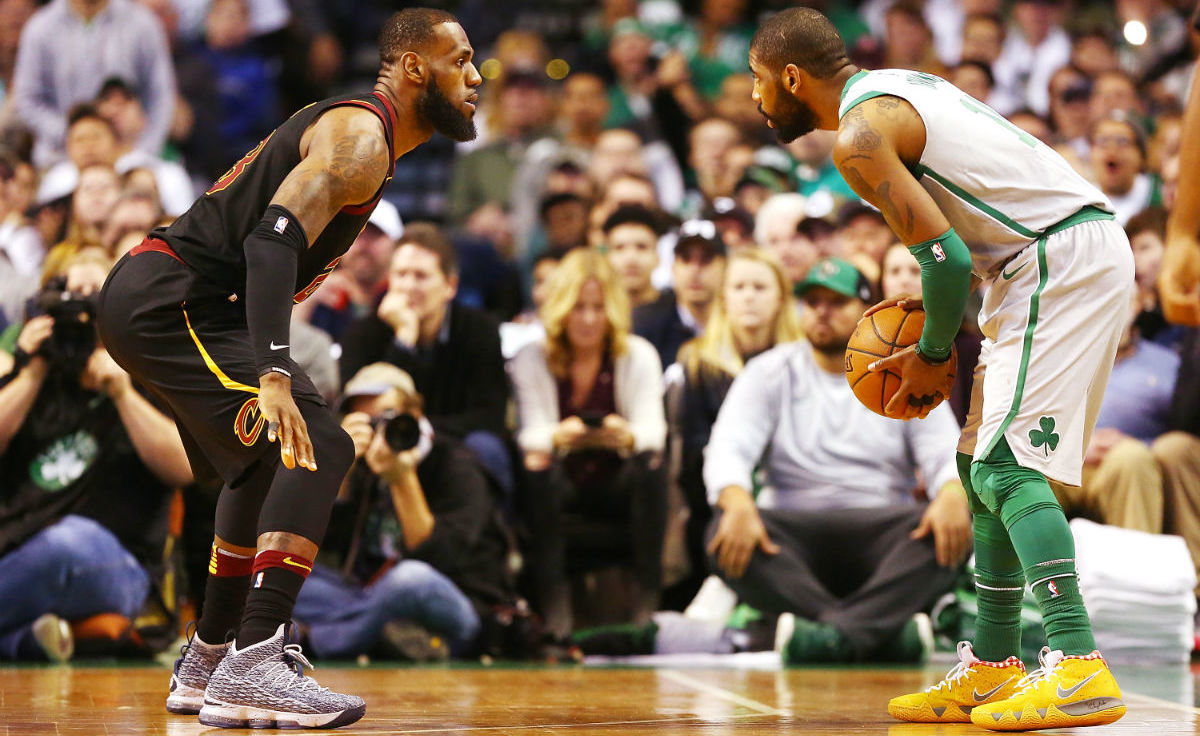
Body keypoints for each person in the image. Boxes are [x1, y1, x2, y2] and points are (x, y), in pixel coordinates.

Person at [95, 8, 482, 730]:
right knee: (321, 441)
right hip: (173, 299)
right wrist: (275, 370)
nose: (477, 76)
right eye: (462, 59)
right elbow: (272, 241)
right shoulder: (363, 136)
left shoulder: (366, 138)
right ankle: (258, 660)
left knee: (259, 462)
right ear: (414, 68)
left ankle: (212, 657)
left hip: (177, 300)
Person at [749, 7, 1131, 729]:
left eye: (759, 81)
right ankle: (990, 667)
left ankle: (1079, 663)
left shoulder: (860, 139)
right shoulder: (895, 86)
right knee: (976, 462)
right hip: (1038, 261)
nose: (756, 99)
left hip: (1052, 257)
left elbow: (945, 258)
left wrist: (931, 357)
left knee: (1010, 467)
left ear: (792, 76)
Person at [704, 258, 967, 664]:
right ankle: (874, 631)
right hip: (791, 531)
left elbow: (945, 455)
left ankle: (825, 636)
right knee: (721, 529)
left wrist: (951, 494)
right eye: (812, 301)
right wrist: (736, 502)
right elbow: (727, 450)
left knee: (950, 529)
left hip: (882, 526)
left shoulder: (907, 370)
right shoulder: (768, 371)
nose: (821, 310)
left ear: (867, 310)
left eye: (836, 301)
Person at [0, 248, 189, 662]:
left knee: (63, 545)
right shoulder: (34, 370)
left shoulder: (147, 372)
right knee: (48, 549)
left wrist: (123, 393)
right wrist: (30, 371)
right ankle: (23, 642)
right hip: (20, 544)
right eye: (70, 294)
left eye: (93, 294)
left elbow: (185, 466)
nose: (81, 309)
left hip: (117, 563)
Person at [293, 364, 513, 660]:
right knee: (285, 571)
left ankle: (322, 640)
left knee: (408, 580)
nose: (380, 432)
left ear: (416, 414)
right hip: (368, 595)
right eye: (369, 422)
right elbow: (328, 545)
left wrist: (401, 477)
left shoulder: (458, 464)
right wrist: (341, 472)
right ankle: (383, 632)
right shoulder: (363, 466)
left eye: (387, 419)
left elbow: (440, 557)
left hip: (453, 601)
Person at [510, 248, 667, 639]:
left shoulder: (638, 354)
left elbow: (654, 432)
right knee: (536, 463)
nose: (589, 319)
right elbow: (529, 433)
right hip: (562, 480)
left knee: (652, 463)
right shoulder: (533, 356)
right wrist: (562, 435)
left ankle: (648, 600)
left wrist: (624, 434)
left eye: (598, 308)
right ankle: (553, 600)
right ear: (561, 307)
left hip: (618, 480)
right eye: (579, 307)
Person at [337, 223, 512, 499]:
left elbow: (490, 416)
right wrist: (403, 342)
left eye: (420, 276)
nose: (408, 286)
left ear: (450, 285)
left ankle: (491, 539)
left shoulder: (480, 329)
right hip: (383, 447)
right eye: (401, 274)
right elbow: (364, 411)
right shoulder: (362, 334)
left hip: (456, 446)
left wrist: (421, 432)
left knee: (487, 448)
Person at [674, 247, 803, 601]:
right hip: (719, 495)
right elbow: (695, 448)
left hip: (789, 491)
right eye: (739, 287)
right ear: (724, 298)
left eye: (760, 288)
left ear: (780, 299)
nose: (749, 296)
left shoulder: (803, 361)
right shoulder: (696, 361)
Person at [634, 220, 727, 370]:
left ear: (725, 267)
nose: (695, 270)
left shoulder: (737, 324)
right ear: (673, 267)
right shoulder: (645, 325)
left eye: (705, 259)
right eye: (686, 258)